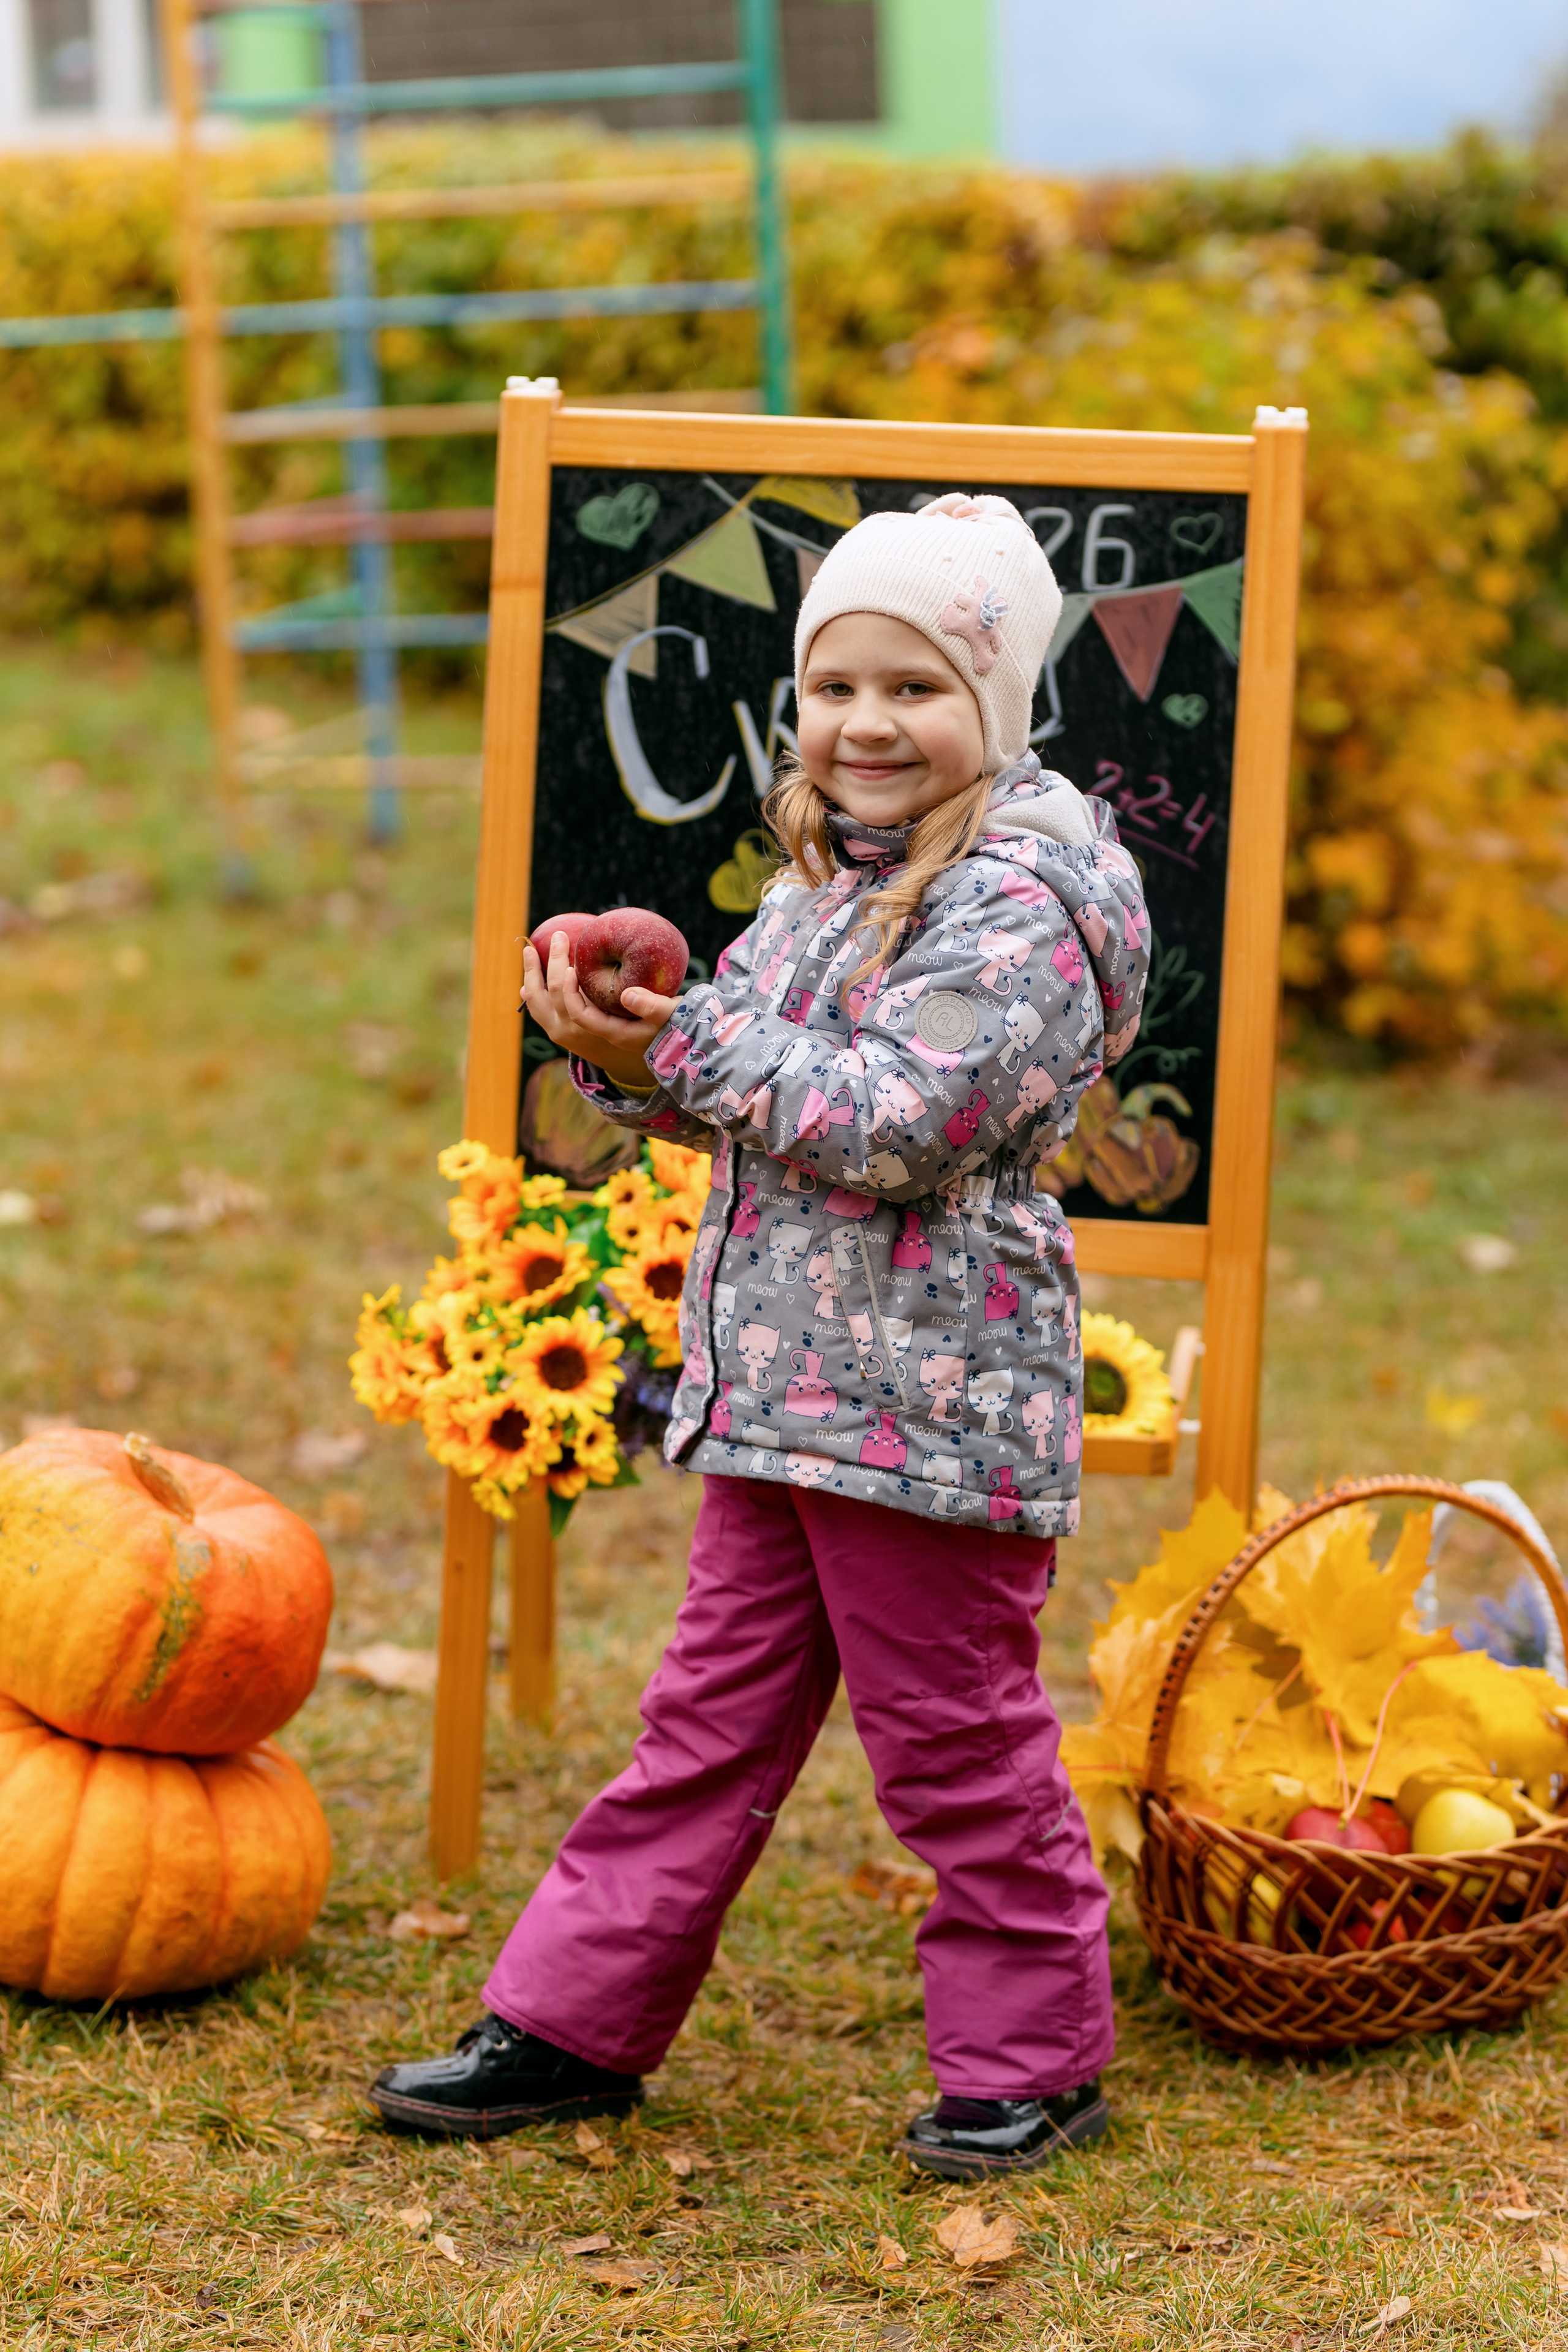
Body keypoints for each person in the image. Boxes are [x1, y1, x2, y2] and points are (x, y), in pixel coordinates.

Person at [370, 493, 1152, 2176]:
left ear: (998, 704)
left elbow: (899, 1122)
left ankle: (1038, 2057)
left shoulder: (1027, 905)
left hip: (929, 1410)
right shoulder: (833, 877)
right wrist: (646, 1030)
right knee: (704, 1721)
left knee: (954, 1744)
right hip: (791, 1390)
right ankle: (571, 2021)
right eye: (836, 686)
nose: (868, 724)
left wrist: (707, 1041)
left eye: (918, 688)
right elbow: (765, 1109)